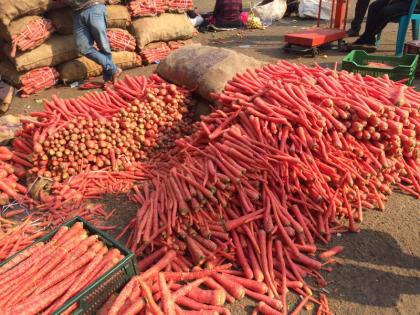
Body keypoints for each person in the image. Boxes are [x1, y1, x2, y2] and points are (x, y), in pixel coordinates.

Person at [68, 0, 122, 83]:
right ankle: (113, 69)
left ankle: (109, 77)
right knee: (82, 47)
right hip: (77, 13)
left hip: (94, 7)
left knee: (102, 44)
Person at [347, 0, 419, 52]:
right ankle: (369, 40)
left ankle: (364, 40)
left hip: (414, 4)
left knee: (386, 12)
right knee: (374, 6)